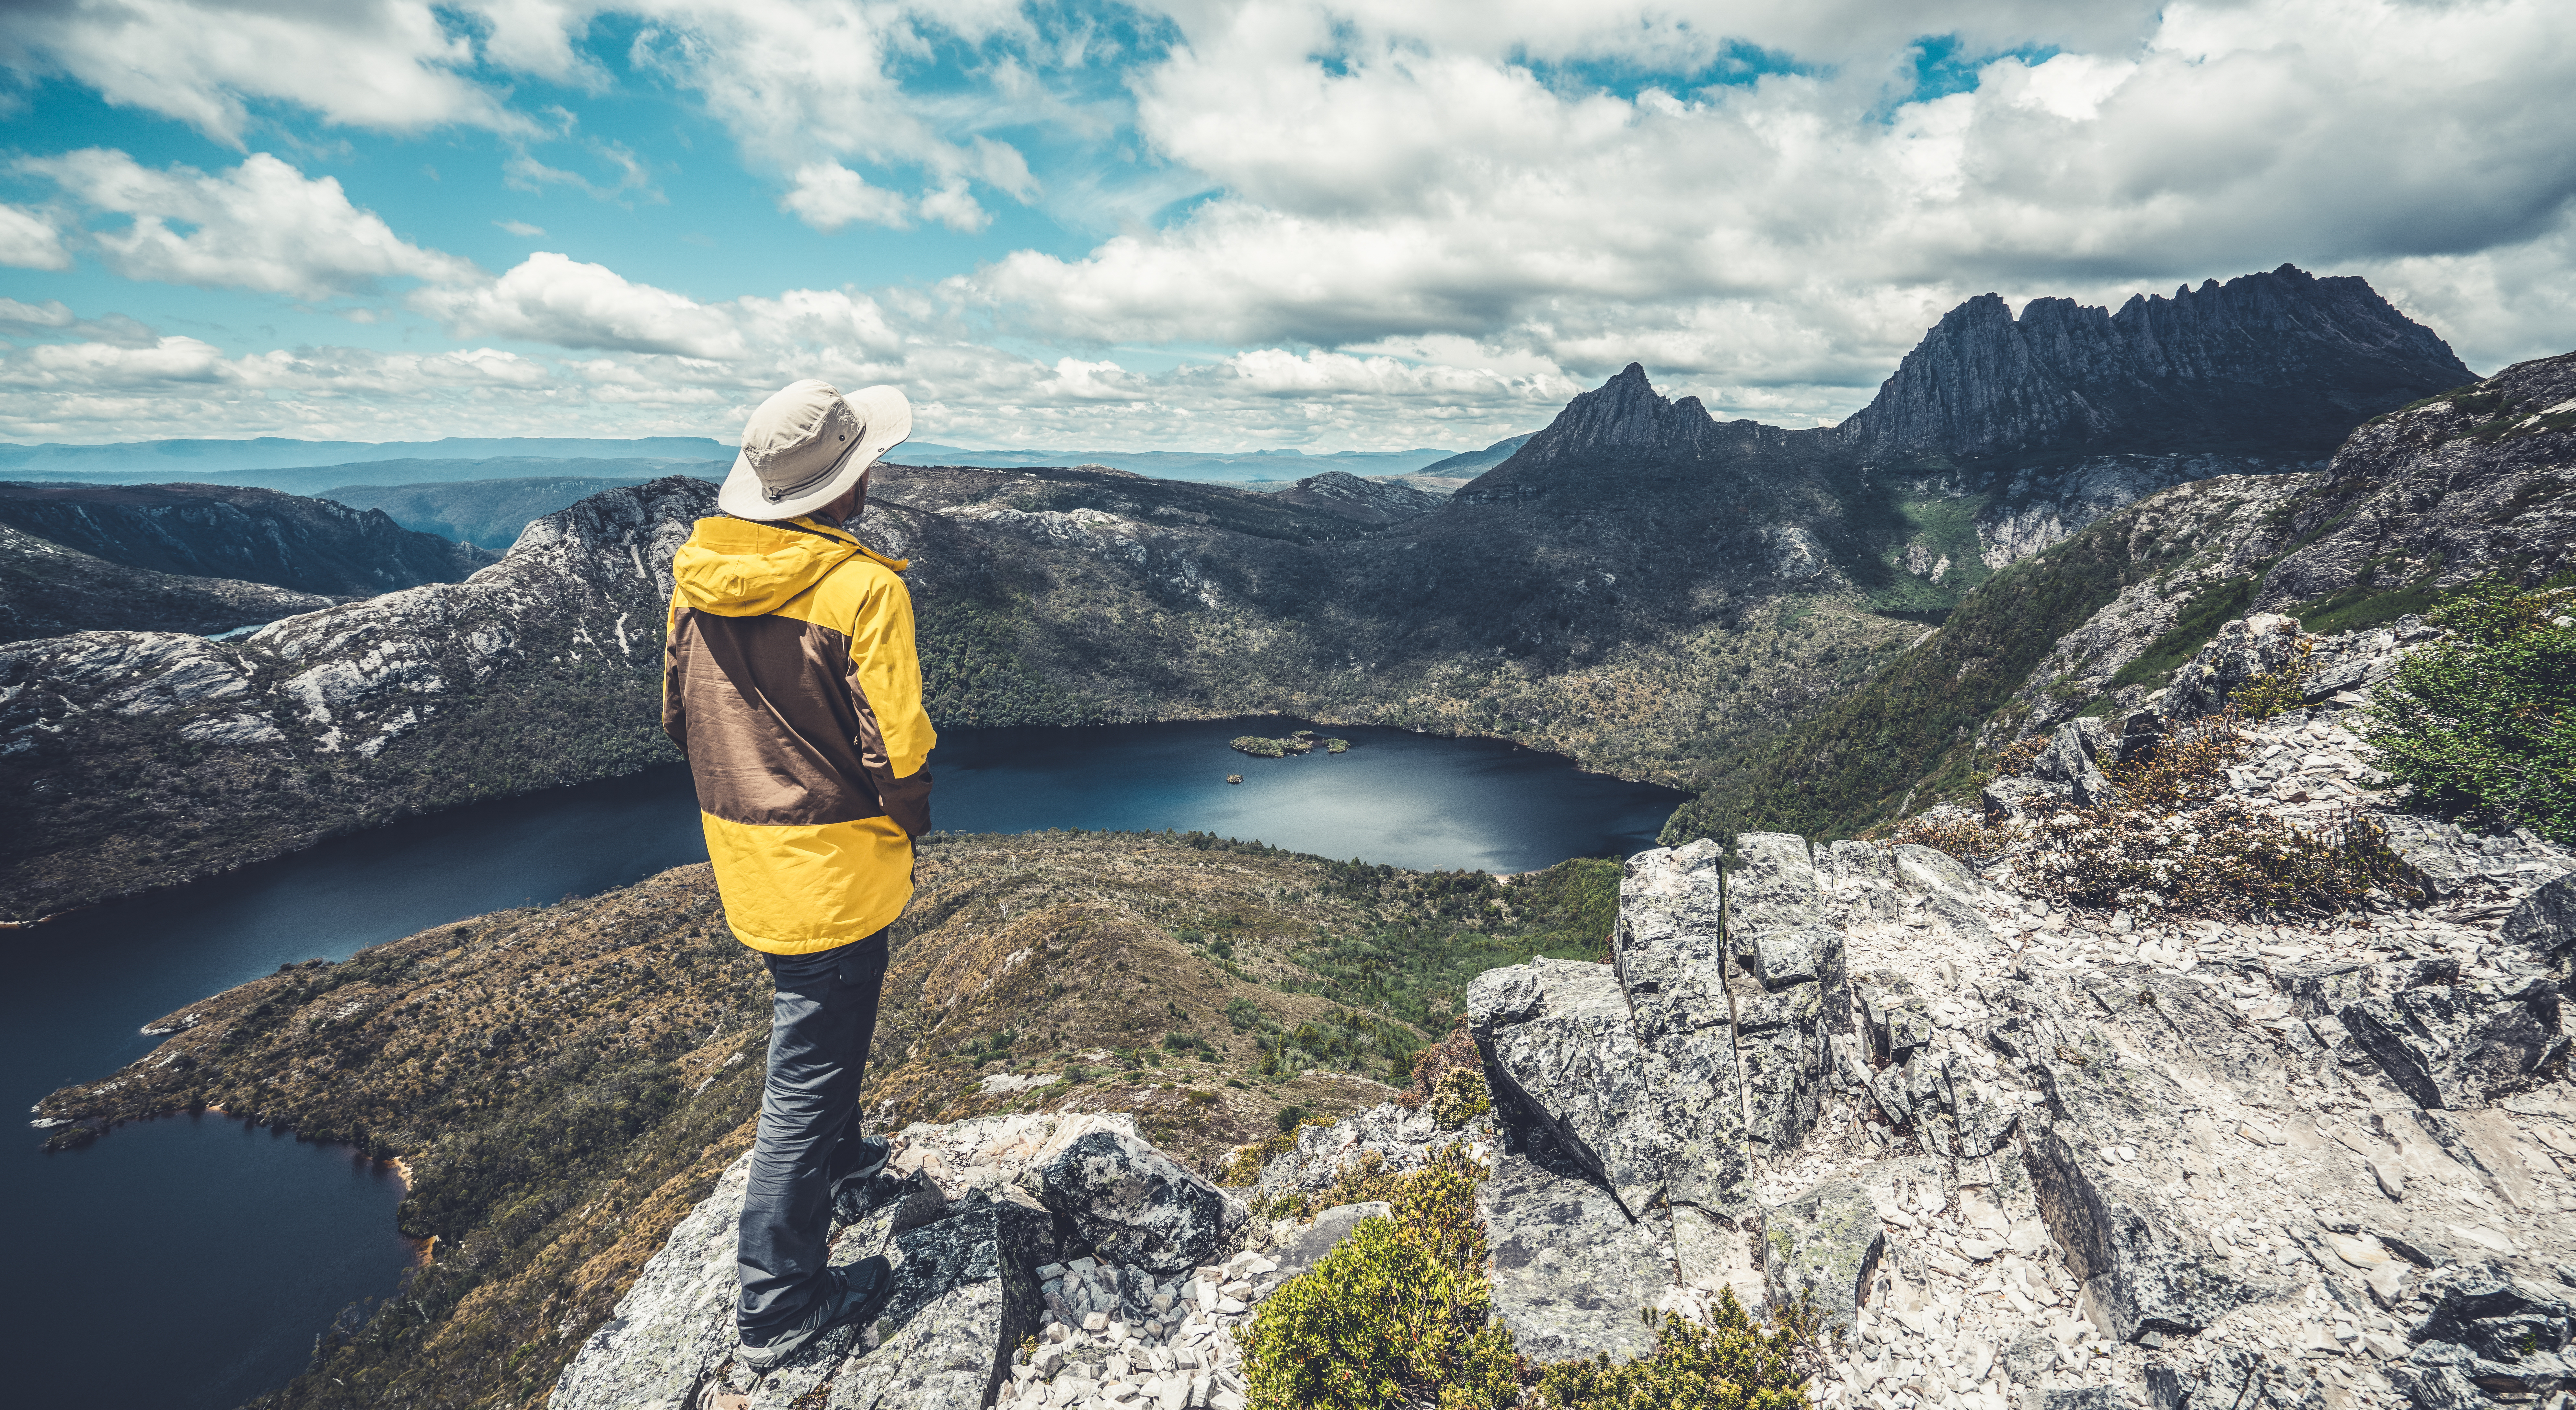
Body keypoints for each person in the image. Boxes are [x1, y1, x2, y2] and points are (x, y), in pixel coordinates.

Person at [661, 378, 935, 1371]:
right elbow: (899, 753)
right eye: (864, 465)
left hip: (747, 853)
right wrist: (910, 827)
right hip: (839, 865)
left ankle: (848, 1164)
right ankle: (779, 1304)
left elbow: (679, 716)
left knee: (831, 1023)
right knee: (808, 1070)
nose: (875, 476)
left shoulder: (698, 574)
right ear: (837, 488)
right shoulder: (866, 590)